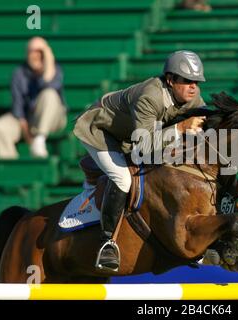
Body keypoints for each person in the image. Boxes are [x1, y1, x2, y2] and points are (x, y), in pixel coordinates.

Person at [73, 50, 207, 271]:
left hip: (130, 136)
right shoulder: (150, 95)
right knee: (123, 179)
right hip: (101, 130)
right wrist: (181, 128)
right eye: (187, 81)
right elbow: (143, 146)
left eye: (196, 81)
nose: (193, 86)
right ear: (171, 80)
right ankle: (107, 242)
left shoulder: (193, 98)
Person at [0, 37, 67, 159]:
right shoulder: (18, 73)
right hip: (27, 120)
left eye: (40, 51)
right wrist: (27, 135)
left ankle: (40, 139)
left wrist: (48, 61)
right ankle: (11, 167)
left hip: (54, 119)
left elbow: (50, 85)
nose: (36, 55)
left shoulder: (55, 70)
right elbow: (18, 109)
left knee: (49, 93)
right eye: (33, 51)